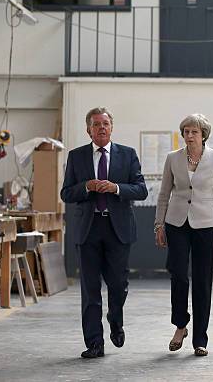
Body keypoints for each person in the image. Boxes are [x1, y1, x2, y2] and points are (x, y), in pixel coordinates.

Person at [61, 107, 148, 359]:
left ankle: (115, 319)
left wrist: (116, 188)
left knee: (118, 286)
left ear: (112, 127)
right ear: (88, 130)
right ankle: (95, 343)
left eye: (106, 123)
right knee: (90, 289)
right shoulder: (76, 157)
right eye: (96, 124)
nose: (101, 127)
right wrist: (86, 186)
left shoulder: (127, 154)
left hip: (117, 229)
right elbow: (66, 193)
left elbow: (141, 189)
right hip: (87, 230)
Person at [154, 113, 213, 357]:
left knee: (202, 280)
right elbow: (164, 194)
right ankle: (180, 326)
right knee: (177, 273)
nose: (189, 136)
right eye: (186, 131)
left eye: (194, 132)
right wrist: (159, 225)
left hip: (206, 224)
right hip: (176, 222)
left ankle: (200, 339)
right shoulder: (172, 158)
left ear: (203, 134)